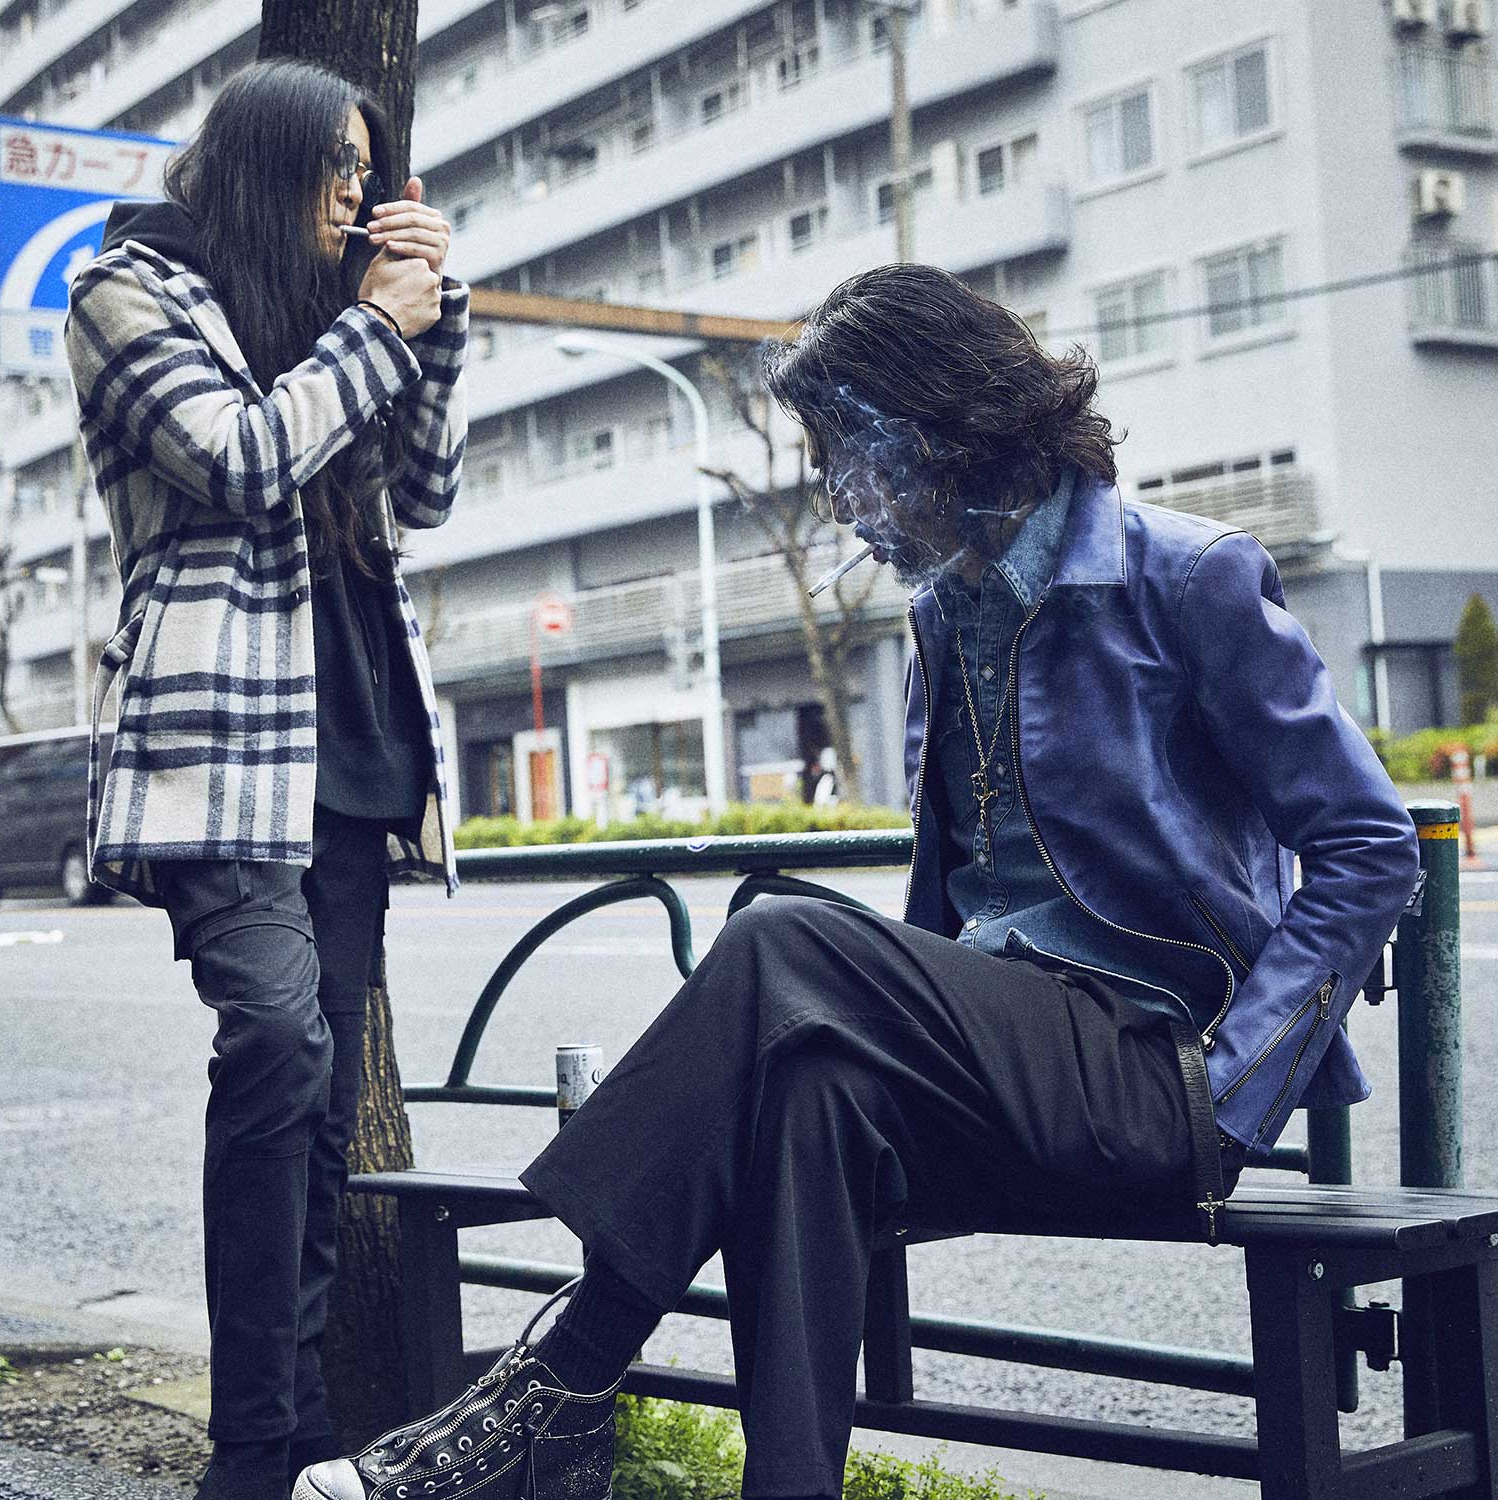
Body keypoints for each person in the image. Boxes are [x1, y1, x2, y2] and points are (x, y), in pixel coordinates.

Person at [297, 264, 1419, 1500]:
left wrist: (1234, 1088)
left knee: (783, 937)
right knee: (810, 1090)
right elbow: (961, 916)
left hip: (1153, 1067)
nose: (834, 498)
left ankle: (559, 1381)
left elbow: (1370, 846)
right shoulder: (944, 615)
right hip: (1004, 1071)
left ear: (941, 428)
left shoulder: (1188, 579)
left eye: (843, 454)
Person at [64, 60, 467, 1500]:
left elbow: (422, 495)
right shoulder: (125, 293)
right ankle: (250, 1448)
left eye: (367, 171)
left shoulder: (330, 315)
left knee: (320, 1102)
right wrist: (376, 326)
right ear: (267, 165)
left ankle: (296, 1440)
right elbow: (237, 459)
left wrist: (437, 322)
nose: (354, 195)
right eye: (334, 169)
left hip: (353, 734)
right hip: (218, 745)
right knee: (278, 1048)